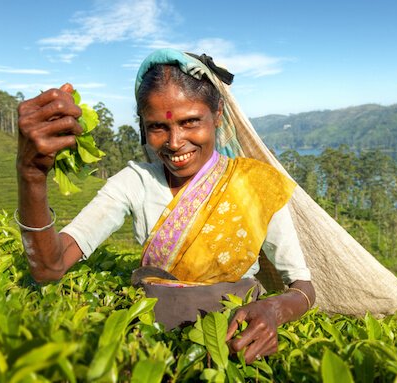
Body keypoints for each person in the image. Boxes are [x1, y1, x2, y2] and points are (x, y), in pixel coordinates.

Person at [16, 48, 315, 364]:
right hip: (152, 353)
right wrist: (32, 176)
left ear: (217, 114)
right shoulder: (135, 183)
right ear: (144, 126)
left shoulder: (257, 184)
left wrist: (273, 310)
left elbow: (303, 288)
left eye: (190, 122)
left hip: (236, 354)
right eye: (159, 126)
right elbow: (50, 268)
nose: (174, 142)